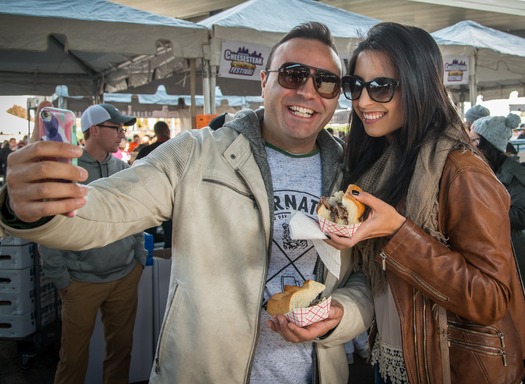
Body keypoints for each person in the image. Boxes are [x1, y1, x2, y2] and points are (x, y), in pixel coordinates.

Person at [0, 22, 374, 384]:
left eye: (325, 82)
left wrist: (341, 314)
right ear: (264, 81)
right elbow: (107, 208)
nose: (308, 92)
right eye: (293, 75)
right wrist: (35, 204)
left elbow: (361, 277)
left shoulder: (350, 178)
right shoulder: (197, 154)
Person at [326, 22, 525, 384]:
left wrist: (400, 234)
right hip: (389, 358)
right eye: (355, 86)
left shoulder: (461, 171)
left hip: (446, 369)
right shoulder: (381, 164)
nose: (363, 101)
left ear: (419, 85)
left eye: (381, 86)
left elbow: (492, 299)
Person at [38, 103, 147, 384]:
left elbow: (136, 216)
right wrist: (61, 277)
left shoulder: (123, 168)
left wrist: (137, 257)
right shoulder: (66, 172)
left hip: (124, 276)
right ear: (94, 130)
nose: (122, 134)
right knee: (73, 358)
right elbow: (49, 229)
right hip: (80, 280)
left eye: (123, 129)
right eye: (116, 128)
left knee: (121, 351)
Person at [469, 113, 525, 283]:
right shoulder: (488, 168)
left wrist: (482, 211)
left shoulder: (514, 174)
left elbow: (521, 215)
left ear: (488, 145)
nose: (471, 146)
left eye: (475, 141)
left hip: (511, 251)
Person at [136, 120, 172, 248]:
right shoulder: (174, 149)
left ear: (155, 132)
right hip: (170, 200)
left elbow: (136, 174)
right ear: (168, 131)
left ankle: (146, 263)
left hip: (148, 199)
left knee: (147, 236)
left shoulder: (146, 151)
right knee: (171, 238)